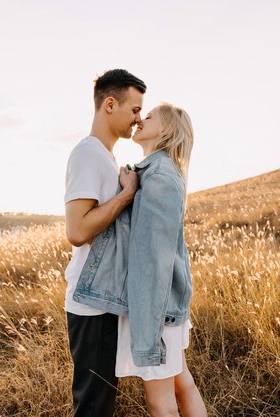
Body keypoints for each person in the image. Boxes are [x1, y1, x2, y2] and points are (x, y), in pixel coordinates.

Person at [73, 103, 207, 417]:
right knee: (179, 382)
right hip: (161, 306)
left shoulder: (159, 176)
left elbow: (153, 262)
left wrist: (149, 336)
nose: (140, 120)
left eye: (149, 117)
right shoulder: (155, 170)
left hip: (154, 311)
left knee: (160, 402)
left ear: (168, 130)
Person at [63, 68, 146, 417]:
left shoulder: (105, 157)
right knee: (93, 407)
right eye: (135, 109)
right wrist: (126, 197)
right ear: (109, 104)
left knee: (101, 402)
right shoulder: (87, 154)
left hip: (103, 298)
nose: (139, 120)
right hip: (91, 305)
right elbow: (78, 231)